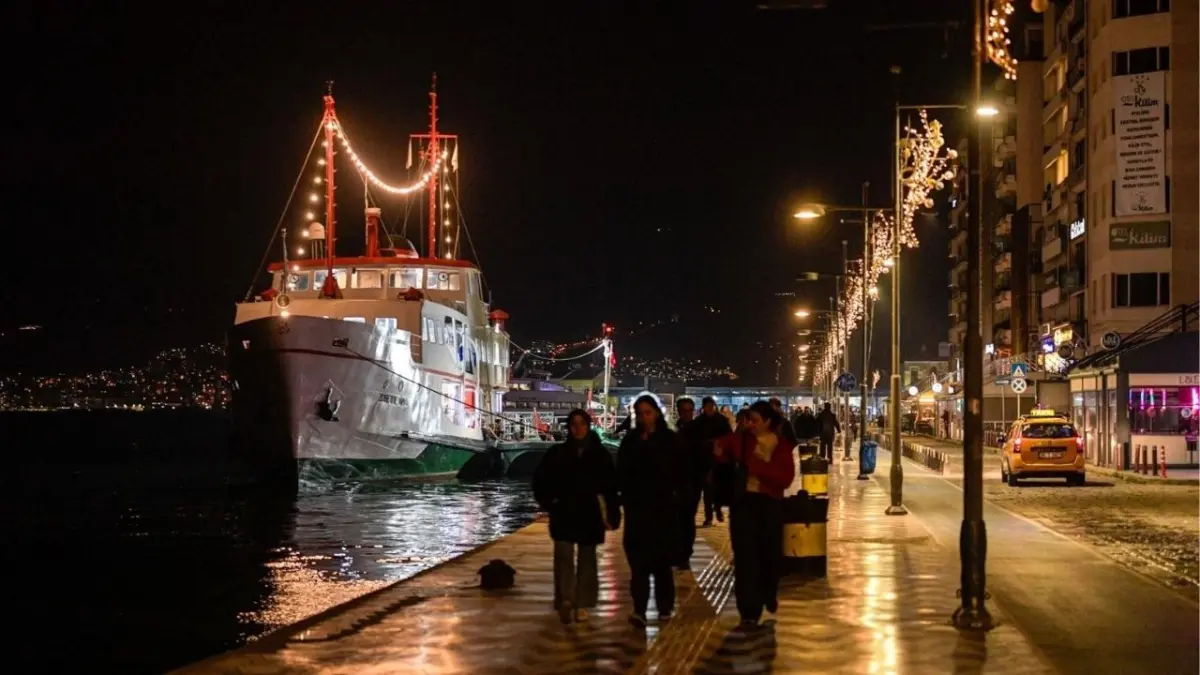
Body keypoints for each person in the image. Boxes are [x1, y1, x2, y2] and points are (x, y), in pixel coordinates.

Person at [532, 409, 621, 624]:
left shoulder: (600, 455)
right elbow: (540, 480)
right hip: (564, 511)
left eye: (582, 424)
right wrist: (549, 502)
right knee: (563, 556)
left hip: (589, 513)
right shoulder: (557, 453)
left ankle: (583, 602)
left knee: (587, 559)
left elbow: (611, 487)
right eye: (574, 424)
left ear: (588, 426)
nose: (578, 428)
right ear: (569, 427)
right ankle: (566, 599)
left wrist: (612, 513)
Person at [713, 400, 796, 628]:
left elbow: (785, 478)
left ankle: (768, 593)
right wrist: (718, 452)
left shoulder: (781, 445)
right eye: (748, 420)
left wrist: (757, 468)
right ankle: (749, 610)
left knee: (769, 557)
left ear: (768, 422)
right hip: (744, 504)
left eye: (755, 420)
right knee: (746, 559)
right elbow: (720, 451)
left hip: (769, 505)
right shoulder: (741, 440)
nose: (750, 424)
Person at [618, 394, 681, 627]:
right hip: (637, 510)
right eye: (640, 413)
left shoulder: (669, 440)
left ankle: (665, 607)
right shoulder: (631, 441)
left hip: (663, 510)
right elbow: (622, 473)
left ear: (656, 413)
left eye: (648, 413)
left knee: (662, 563)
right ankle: (640, 609)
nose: (645, 418)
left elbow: (679, 472)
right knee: (639, 564)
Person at [695, 396, 733, 527]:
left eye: (711, 406)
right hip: (704, 459)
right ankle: (708, 516)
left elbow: (729, 437)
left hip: (719, 459)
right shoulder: (699, 422)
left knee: (717, 488)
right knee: (707, 490)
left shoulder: (722, 420)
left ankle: (717, 509)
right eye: (707, 406)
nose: (710, 409)